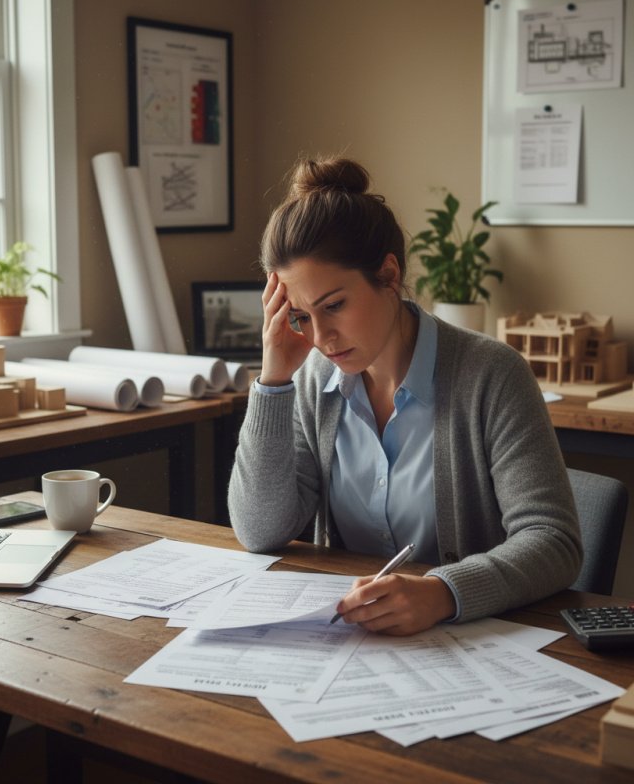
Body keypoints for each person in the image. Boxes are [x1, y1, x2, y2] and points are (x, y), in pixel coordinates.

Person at [228, 156, 582, 636]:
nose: (322, 337)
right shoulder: (314, 380)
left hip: (474, 644)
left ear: (389, 275)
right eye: (300, 316)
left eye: (333, 305)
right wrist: (272, 381)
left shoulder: (492, 376)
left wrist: (444, 593)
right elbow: (259, 532)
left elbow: (554, 542)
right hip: (360, 645)